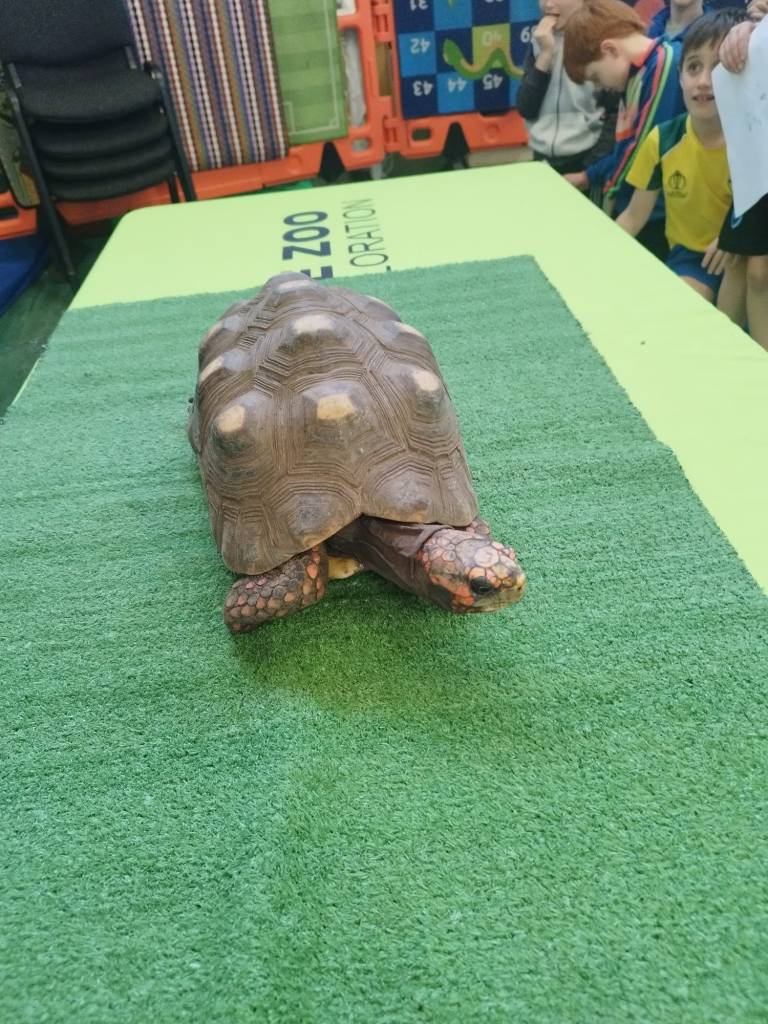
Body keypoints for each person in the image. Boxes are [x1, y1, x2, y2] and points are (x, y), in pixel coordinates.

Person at [615, 9, 746, 302]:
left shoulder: (752, 141)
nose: (703, 81)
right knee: (683, 303)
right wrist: (596, 258)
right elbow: (633, 218)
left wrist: (734, 239)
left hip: (746, 255)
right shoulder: (662, 140)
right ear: (680, 76)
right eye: (694, 67)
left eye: (718, 68)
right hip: (692, 259)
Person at [562, 0, 686, 259]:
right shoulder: (639, 73)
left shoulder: (662, 66)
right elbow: (626, 148)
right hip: (644, 209)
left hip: (655, 215)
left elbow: (642, 153)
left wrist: (605, 196)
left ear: (610, 49)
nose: (600, 86)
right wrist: (589, 176)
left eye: (595, 77)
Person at [714, 0, 768, 349]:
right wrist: (750, 27)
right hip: (758, 149)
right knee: (742, 264)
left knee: (758, 271)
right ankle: (723, 358)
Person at [517, 0, 619, 173]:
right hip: (541, 157)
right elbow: (526, 108)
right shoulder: (539, 41)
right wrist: (545, 55)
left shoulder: (600, 42)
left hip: (585, 159)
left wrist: (591, 168)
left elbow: (616, 111)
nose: (548, 5)